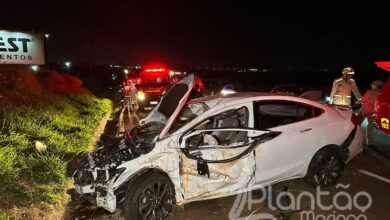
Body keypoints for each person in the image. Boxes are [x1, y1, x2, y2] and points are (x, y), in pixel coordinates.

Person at [358, 80, 383, 146]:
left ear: (376, 85)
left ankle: (355, 138)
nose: (372, 85)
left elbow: (363, 100)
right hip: (373, 111)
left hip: (364, 110)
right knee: (370, 125)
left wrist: (357, 102)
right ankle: (369, 141)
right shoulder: (382, 93)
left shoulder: (369, 91)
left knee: (357, 124)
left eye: (373, 84)